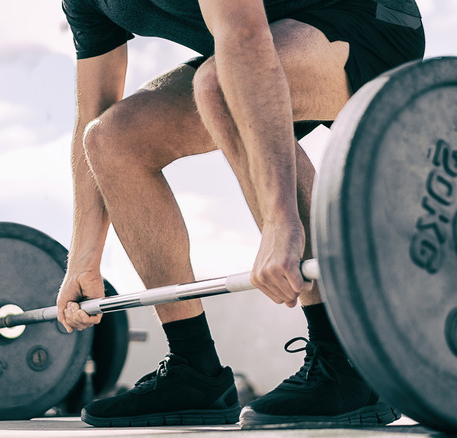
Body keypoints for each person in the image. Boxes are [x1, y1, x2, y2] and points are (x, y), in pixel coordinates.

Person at [55, 0, 425, 428]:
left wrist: (280, 219)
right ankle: (194, 371)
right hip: (257, 48)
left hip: (370, 24)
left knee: (220, 86)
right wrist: (84, 259)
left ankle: (346, 361)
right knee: (110, 137)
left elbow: (243, 37)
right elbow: (92, 110)